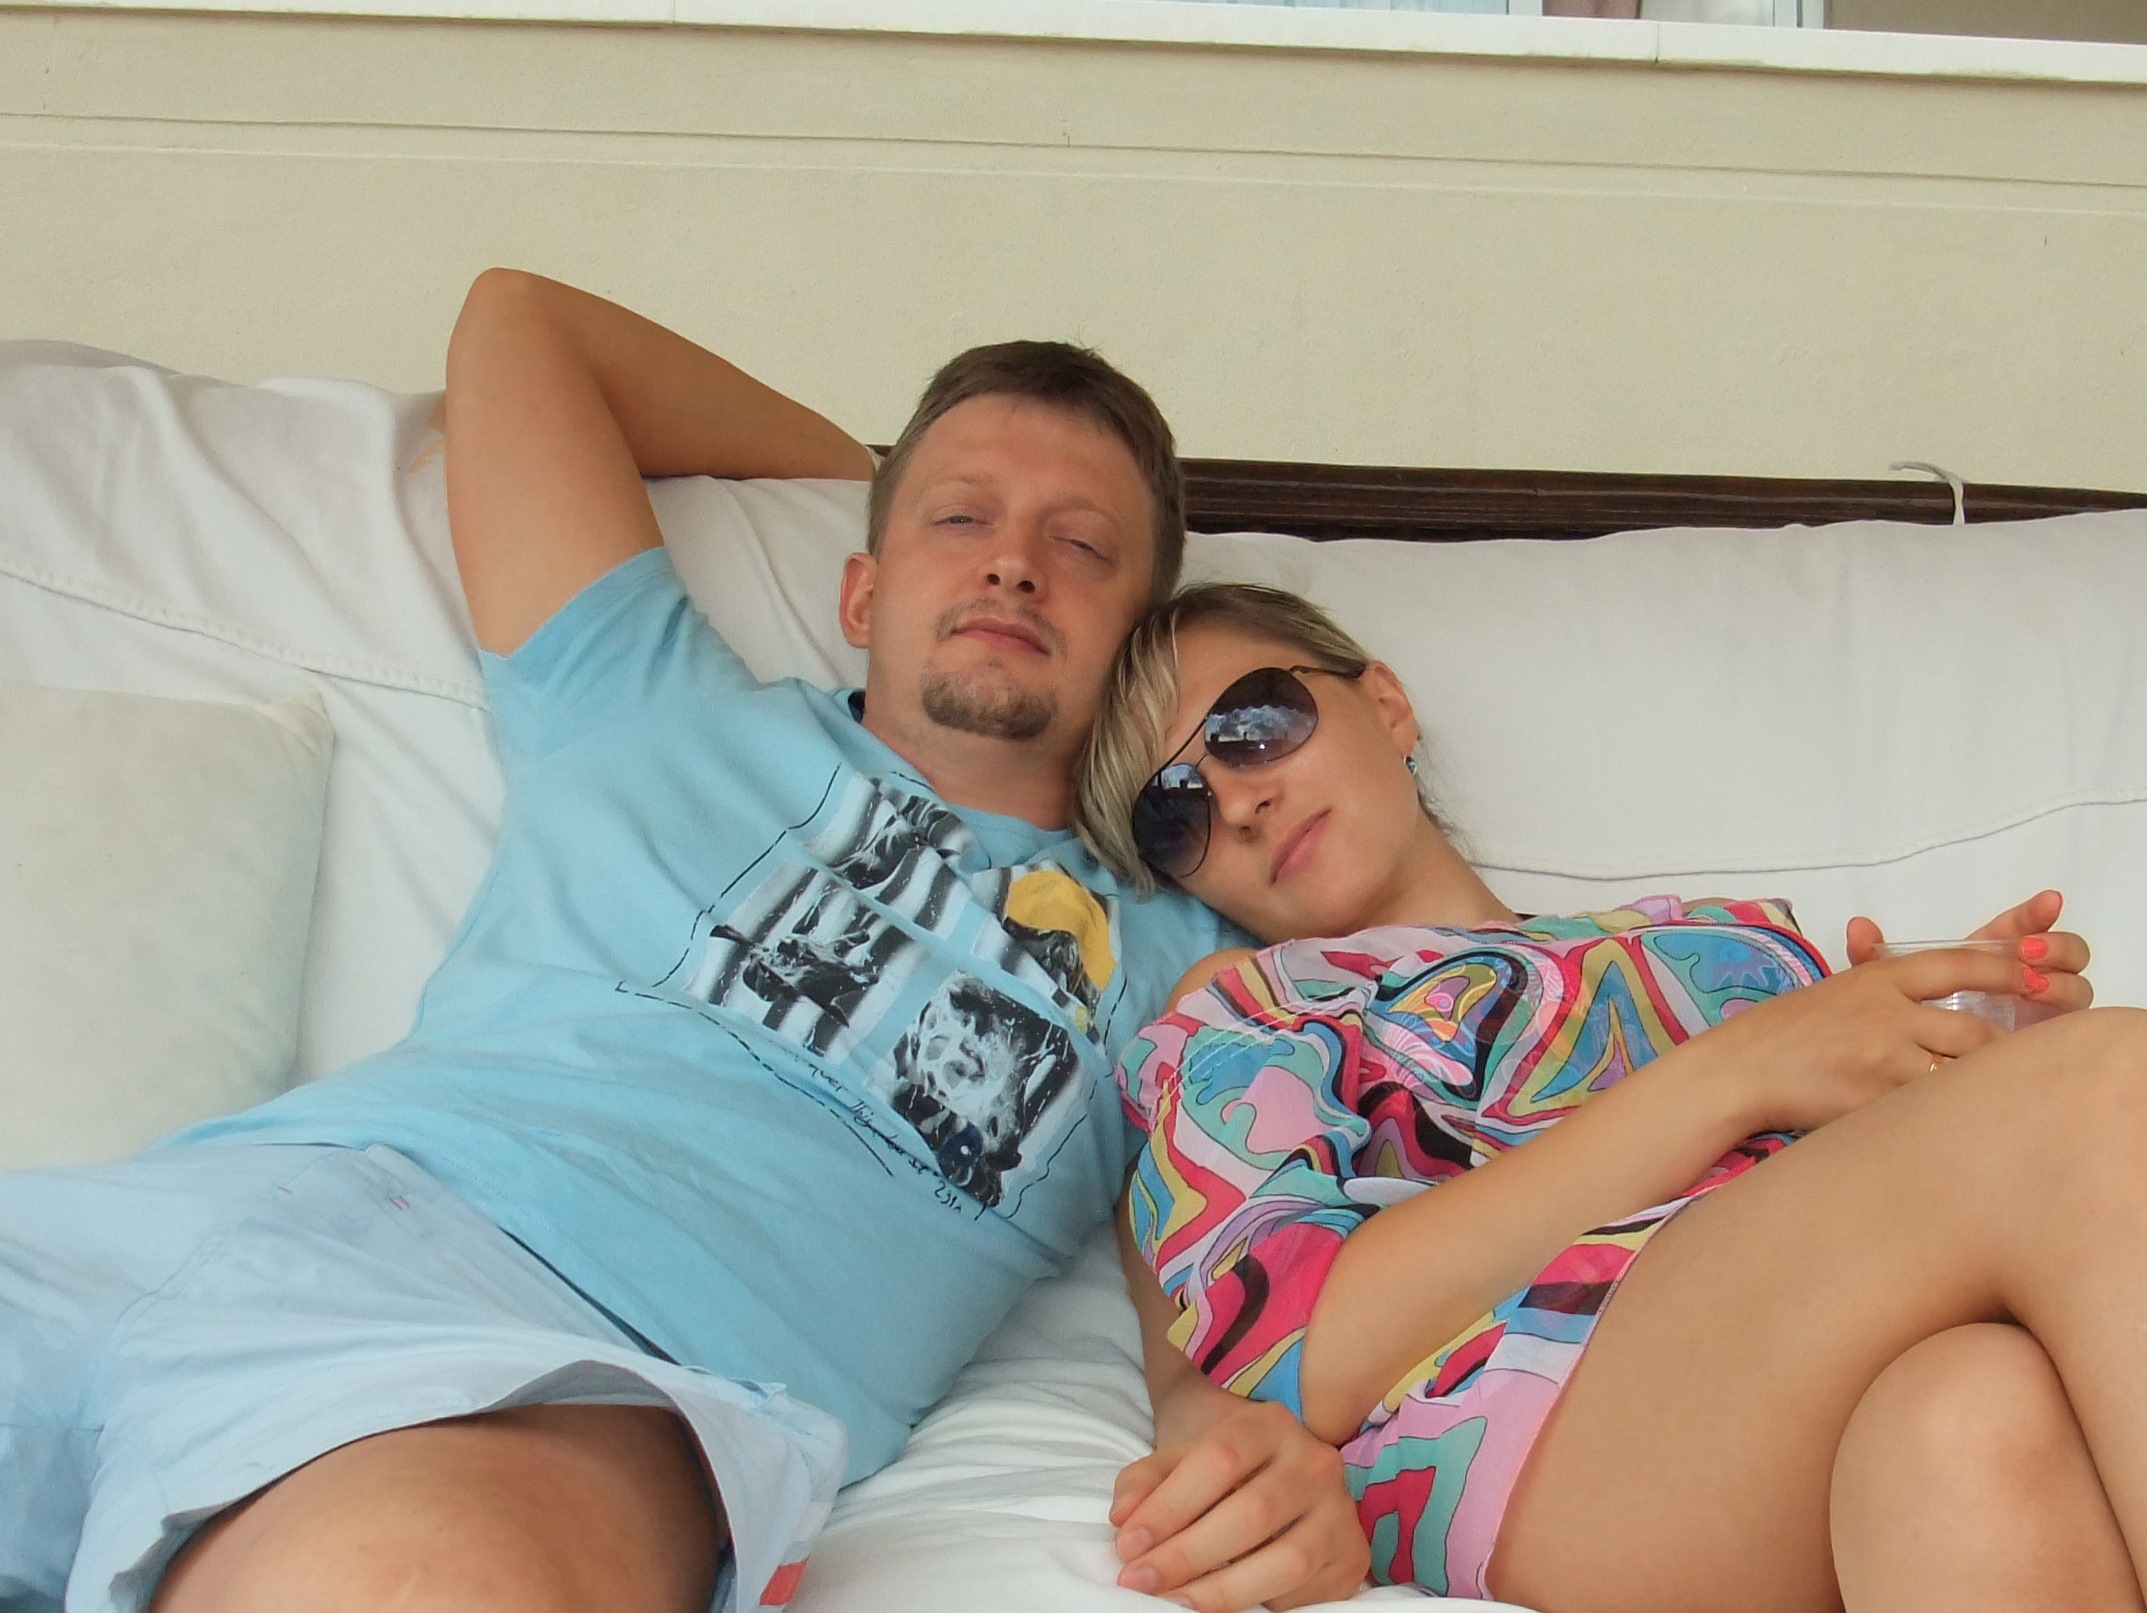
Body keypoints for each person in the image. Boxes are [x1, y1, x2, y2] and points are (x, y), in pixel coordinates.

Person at [0, 274, 1368, 1613]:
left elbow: (1236, 1218)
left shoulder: (1171, 948)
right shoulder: (644, 693)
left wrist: (1226, 1425)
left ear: (1134, 647)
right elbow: (521, 322)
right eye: (960, 518)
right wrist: (857, 474)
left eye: (1080, 546)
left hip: (567, 1368)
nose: (1011, 560)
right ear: (860, 593)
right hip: (182, 1221)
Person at [1075, 580, 2147, 1613]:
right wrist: (1746, 1072)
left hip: (1795, 1390)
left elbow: (1843, 1211)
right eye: (1175, 813)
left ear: (1386, 703)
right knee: (2099, 1086)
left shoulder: (1718, 944)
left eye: (1254, 723)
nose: (1238, 800)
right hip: (1535, 1429)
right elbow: (1315, 1349)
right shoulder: (1244, 1009)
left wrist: (1956, 1046)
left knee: (1967, 1419)